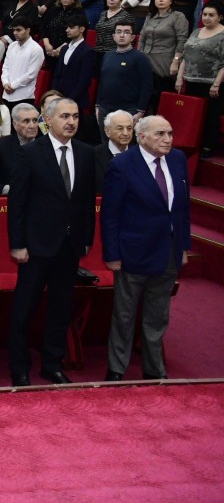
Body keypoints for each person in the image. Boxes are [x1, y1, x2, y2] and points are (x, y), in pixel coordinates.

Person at [7, 97, 96, 386]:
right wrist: (17, 244)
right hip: (35, 246)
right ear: (49, 120)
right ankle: (19, 367)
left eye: (75, 116)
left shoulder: (85, 152)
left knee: (60, 307)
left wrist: (85, 239)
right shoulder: (31, 153)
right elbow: (17, 203)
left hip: (69, 246)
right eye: (65, 116)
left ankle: (52, 363)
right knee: (24, 309)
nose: (71, 122)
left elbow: (84, 202)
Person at [101, 116, 191, 382]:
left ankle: (154, 370)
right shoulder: (122, 165)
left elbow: (182, 209)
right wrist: (112, 254)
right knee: (124, 315)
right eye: (160, 134)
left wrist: (183, 246)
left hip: (168, 252)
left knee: (158, 315)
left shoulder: (178, 160)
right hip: (133, 253)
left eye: (170, 133)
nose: (168, 139)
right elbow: (110, 215)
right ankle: (117, 369)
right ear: (142, 137)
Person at [175, 0, 224, 156]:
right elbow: (185, 56)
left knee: (210, 116)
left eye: (211, 15)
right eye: (205, 14)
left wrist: (216, 84)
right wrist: (179, 78)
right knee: (192, 114)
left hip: (211, 83)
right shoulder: (196, 31)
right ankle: (191, 142)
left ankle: (208, 146)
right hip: (191, 81)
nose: (207, 18)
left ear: (220, 17)